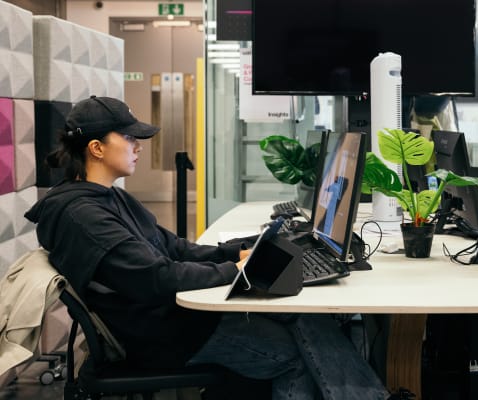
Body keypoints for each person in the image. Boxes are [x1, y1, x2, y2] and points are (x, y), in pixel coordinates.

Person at [25, 96, 395, 400]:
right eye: (129, 138)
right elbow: (156, 278)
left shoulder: (106, 199)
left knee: (303, 315)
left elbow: (175, 249)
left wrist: (241, 250)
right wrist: (239, 271)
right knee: (290, 353)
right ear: (96, 148)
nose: (138, 146)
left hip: (173, 318)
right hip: (164, 335)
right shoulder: (83, 216)